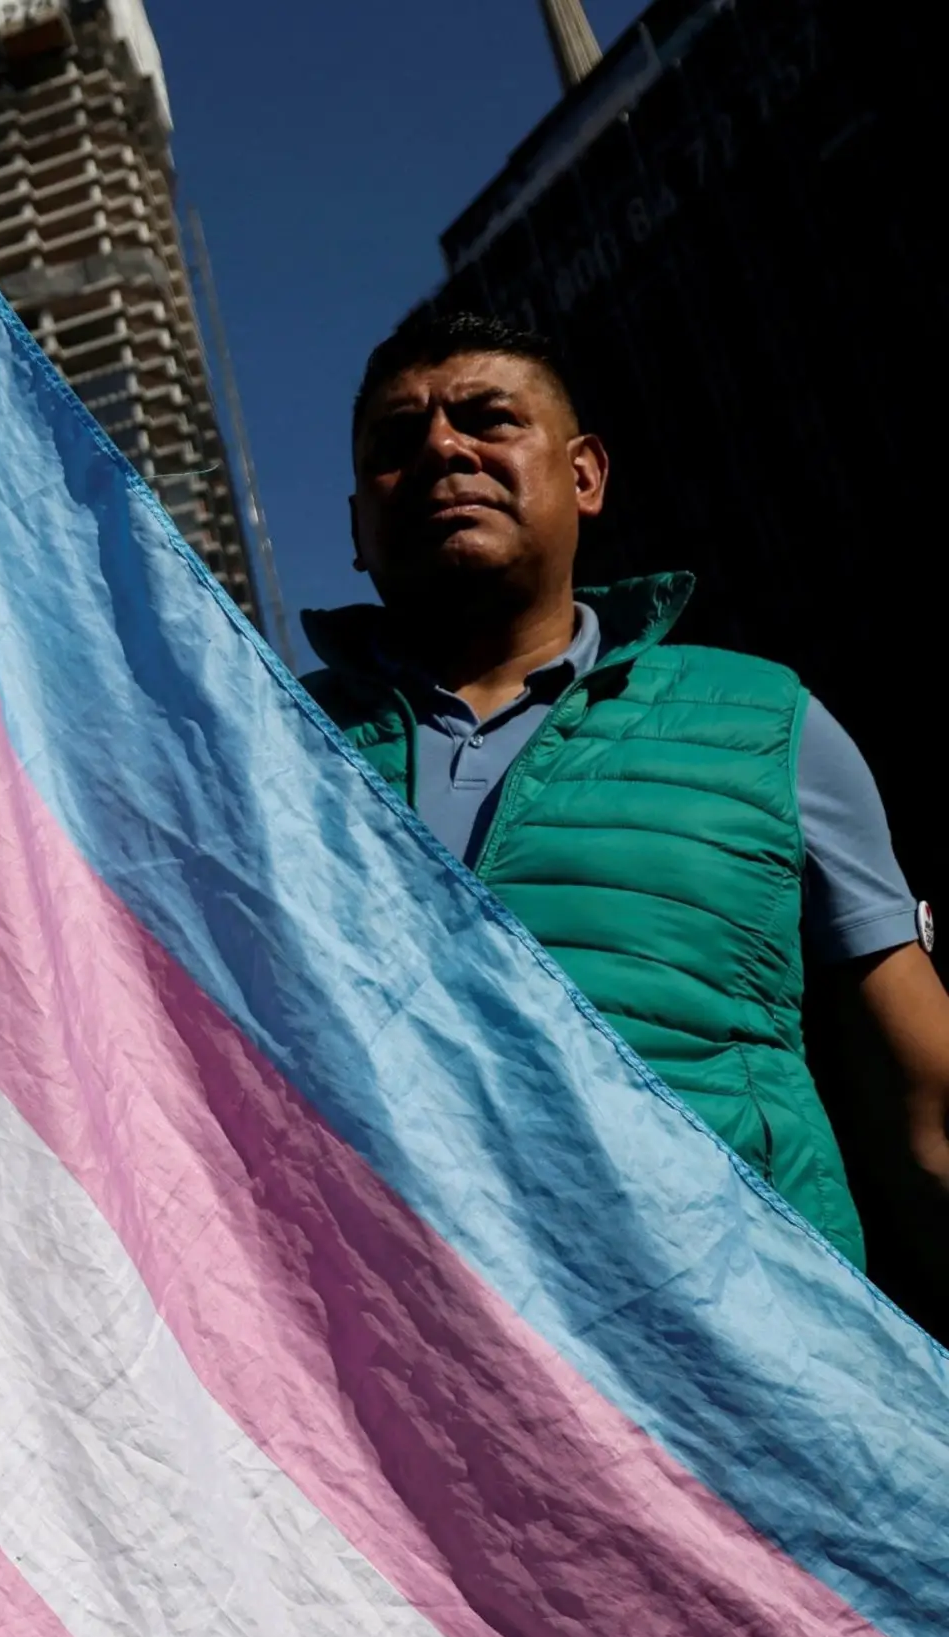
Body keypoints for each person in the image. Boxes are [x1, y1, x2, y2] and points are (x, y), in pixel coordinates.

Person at [299, 309, 949, 1266]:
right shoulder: (260, 736)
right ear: (357, 524)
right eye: (397, 443)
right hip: (386, 1372)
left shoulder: (769, 723)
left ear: (584, 475)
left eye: (489, 419)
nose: (443, 447)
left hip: (734, 1369)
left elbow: (928, 1115)